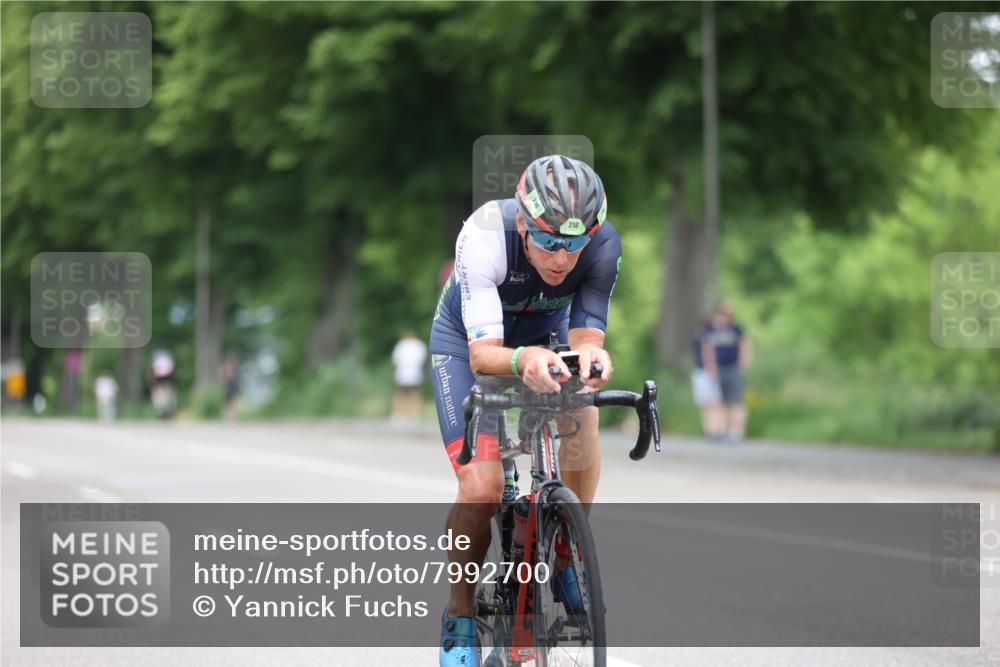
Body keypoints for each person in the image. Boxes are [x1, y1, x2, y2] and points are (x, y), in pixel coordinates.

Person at [429, 155, 621, 666]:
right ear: (523, 225)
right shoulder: (485, 235)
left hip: (544, 337)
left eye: (574, 245)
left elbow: (586, 335)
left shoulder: (602, 245)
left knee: (583, 408)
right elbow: (484, 356)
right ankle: (460, 614)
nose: (562, 258)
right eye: (549, 241)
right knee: (482, 488)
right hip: (469, 346)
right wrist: (523, 360)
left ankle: (565, 552)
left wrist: (593, 358)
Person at [695, 302, 752, 442]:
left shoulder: (736, 329)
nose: (726, 317)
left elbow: (745, 345)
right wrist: (710, 365)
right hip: (717, 370)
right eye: (723, 313)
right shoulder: (709, 330)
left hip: (733, 369)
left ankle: (736, 432)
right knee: (719, 402)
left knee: (736, 401)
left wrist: (743, 363)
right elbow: (707, 348)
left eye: (729, 315)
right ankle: (720, 431)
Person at [391, 330, 428, 423]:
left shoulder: (400, 345)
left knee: (401, 394)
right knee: (414, 394)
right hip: (415, 374)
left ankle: (399, 414)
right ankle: (414, 415)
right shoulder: (419, 345)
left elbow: (395, 360)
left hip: (402, 373)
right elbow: (423, 359)